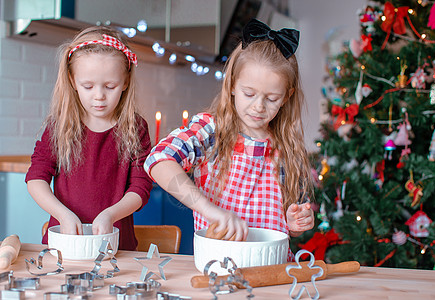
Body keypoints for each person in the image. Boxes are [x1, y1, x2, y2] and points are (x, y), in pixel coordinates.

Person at [145, 18, 314, 258]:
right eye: (249, 93)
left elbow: (291, 218)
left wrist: (296, 221)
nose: (258, 106)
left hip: (274, 272)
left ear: (287, 97)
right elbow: (158, 160)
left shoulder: (287, 147)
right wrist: (209, 210)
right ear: (233, 84)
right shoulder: (212, 130)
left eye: (272, 98)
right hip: (220, 265)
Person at [25, 26, 152, 251]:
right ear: (73, 81)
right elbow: (36, 178)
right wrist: (62, 214)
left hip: (116, 248)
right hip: (64, 246)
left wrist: (111, 215)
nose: (99, 96)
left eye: (110, 86)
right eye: (88, 86)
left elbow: (141, 186)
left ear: (125, 82)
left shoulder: (136, 128)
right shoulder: (59, 126)